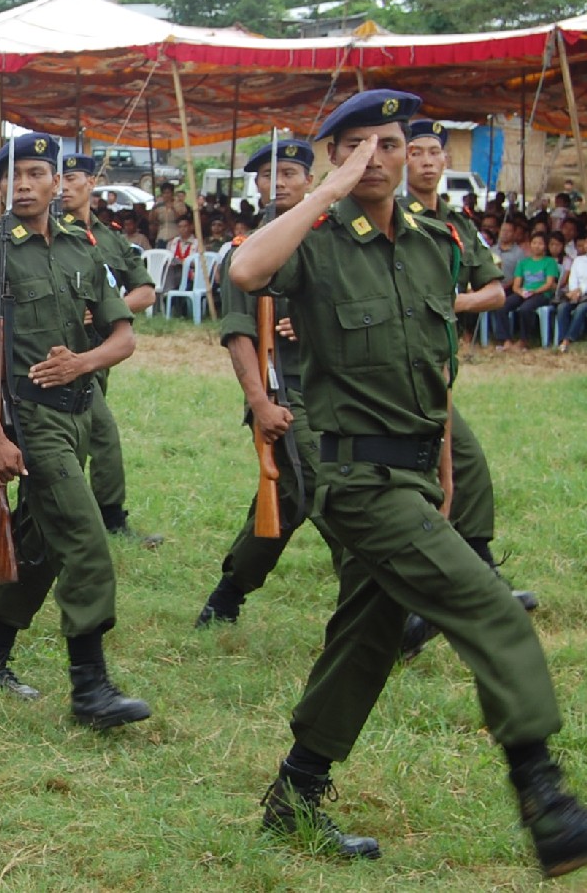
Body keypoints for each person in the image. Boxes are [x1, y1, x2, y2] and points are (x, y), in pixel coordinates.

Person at [229, 88, 587, 874]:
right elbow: (246, 269)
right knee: (491, 610)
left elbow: (435, 370)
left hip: (417, 473)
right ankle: (543, 792)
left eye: (388, 144)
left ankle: (294, 796)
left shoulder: (433, 242)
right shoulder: (314, 239)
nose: (376, 159)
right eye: (356, 146)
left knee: (366, 635)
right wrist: (324, 188)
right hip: (355, 481)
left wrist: (445, 471)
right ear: (333, 157)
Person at [0, 133, 150, 727]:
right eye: (13, 176)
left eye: (38, 173)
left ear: (57, 181)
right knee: (86, 541)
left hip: (80, 411)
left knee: (37, 547)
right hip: (30, 418)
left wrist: (81, 363)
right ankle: (91, 688)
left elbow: (123, 335)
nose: (26, 184)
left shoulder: (82, 250)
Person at [394, 117, 536, 659]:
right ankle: (412, 605)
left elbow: (495, 292)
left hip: (437, 365)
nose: (428, 161)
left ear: (446, 162)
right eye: (418, 152)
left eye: (435, 152)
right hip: (394, 365)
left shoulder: (457, 223)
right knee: (421, 479)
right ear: (403, 163)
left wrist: (444, 304)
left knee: (464, 469)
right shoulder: (392, 217)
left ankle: (476, 579)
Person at [194, 138, 339, 627]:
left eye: (290, 175)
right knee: (321, 488)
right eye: (266, 176)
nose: (278, 183)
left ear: (311, 182)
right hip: (286, 388)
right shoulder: (246, 253)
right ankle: (382, 604)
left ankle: (227, 594)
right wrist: (259, 403)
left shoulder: (335, 242)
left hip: (343, 387)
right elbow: (238, 337)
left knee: (291, 496)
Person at [57, 154, 163, 547]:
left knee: (84, 434)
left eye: (72, 178)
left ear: (92, 182)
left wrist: (109, 310)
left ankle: (78, 515)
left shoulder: (111, 236)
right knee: (100, 433)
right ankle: (108, 518)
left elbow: (145, 291)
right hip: (62, 352)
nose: (64, 187)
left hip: (102, 351)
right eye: (60, 179)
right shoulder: (49, 231)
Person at [495, 232, 559, 349]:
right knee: (502, 305)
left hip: (542, 293)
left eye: (540, 243)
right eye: (534, 243)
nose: (536, 246)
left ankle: (524, 340)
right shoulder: (523, 263)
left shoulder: (550, 262)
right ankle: (506, 339)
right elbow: (516, 285)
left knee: (526, 309)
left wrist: (534, 292)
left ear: (545, 246)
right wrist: (521, 292)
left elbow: (549, 284)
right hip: (524, 292)